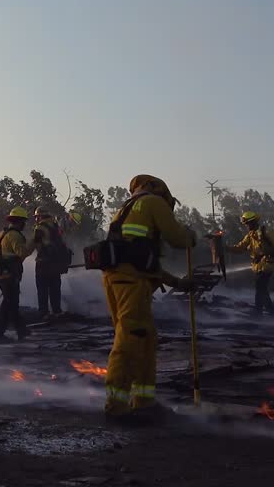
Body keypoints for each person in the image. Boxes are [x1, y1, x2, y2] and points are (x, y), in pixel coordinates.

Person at [99, 175, 194, 423]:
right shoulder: (154, 202)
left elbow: (141, 259)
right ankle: (116, 406)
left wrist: (177, 283)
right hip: (131, 282)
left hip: (120, 278)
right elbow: (177, 237)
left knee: (145, 338)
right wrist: (190, 236)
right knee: (130, 339)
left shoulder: (126, 209)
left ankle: (143, 400)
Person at [0, 207, 33, 343]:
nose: (24, 224)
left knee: (12, 303)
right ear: (20, 222)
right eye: (24, 221)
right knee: (8, 305)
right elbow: (22, 253)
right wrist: (33, 243)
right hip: (9, 276)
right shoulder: (15, 235)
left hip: (1, 274)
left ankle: (21, 330)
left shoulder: (2, 233)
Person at [230, 211, 274, 317]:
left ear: (254, 222)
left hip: (268, 264)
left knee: (259, 286)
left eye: (248, 223)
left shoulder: (266, 232)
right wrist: (226, 248)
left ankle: (258, 312)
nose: (246, 226)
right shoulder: (250, 235)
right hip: (259, 266)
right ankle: (271, 312)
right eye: (245, 224)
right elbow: (241, 247)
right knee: (262, 288)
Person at [31, 208, 68, 317]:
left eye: (36, 217)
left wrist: (21, 256)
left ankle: (44, 313)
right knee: (55, 288)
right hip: (56, 263)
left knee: (42, 289)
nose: (36, 219)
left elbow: (35, 244)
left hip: (43, 263)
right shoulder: (56, 226)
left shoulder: (39, 228)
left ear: (40, 216)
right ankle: (57, 311)